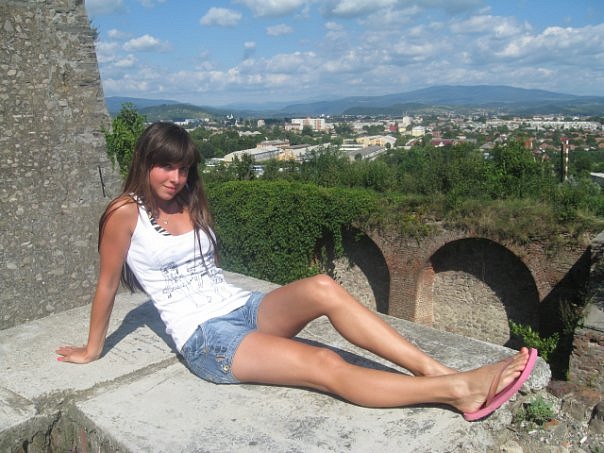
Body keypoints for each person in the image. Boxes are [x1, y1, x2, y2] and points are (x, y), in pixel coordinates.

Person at [56, 122, 538, 421]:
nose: (175, 178)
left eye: (183, 169)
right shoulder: (125, 212)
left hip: (242, 307)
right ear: (145, 162)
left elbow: (207, 266)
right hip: (207, 338)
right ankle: (458, 391)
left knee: (324, 287)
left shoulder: (188, 198)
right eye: (166, 167)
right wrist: (92, 348)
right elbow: (107, 284)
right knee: (323, 364)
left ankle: (437, 369)